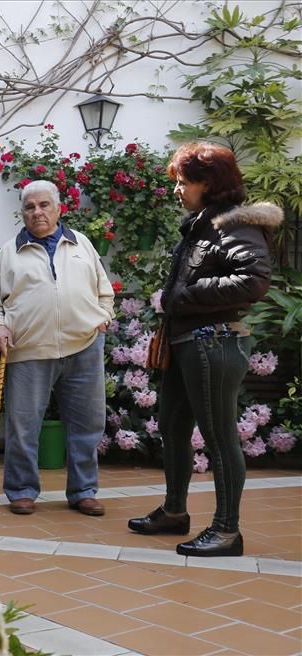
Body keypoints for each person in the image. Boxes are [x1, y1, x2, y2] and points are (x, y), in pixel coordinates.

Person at [127, 142, 281, 557]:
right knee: (172, 426)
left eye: (183, 182)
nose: (177, 189)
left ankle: (227, 531)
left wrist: (190, 294)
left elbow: (254, 279)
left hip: (214, 341)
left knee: (219, 437)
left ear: (208, 184)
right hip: (190, 341)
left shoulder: (234, 226)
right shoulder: (203, 223)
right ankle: (175, 511)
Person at [0, 180, 114, 516]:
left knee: (88, 424)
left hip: (83, 346)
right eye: (30, 207)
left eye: (44, 205)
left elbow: (105, 290)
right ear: (23, 212)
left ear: (58, 209)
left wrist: (104, 318)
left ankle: (83, 490)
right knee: (23, 426)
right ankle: (22, 490)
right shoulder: (9, 252)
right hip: (29, 350)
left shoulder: (82, 244)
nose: (37, 212)